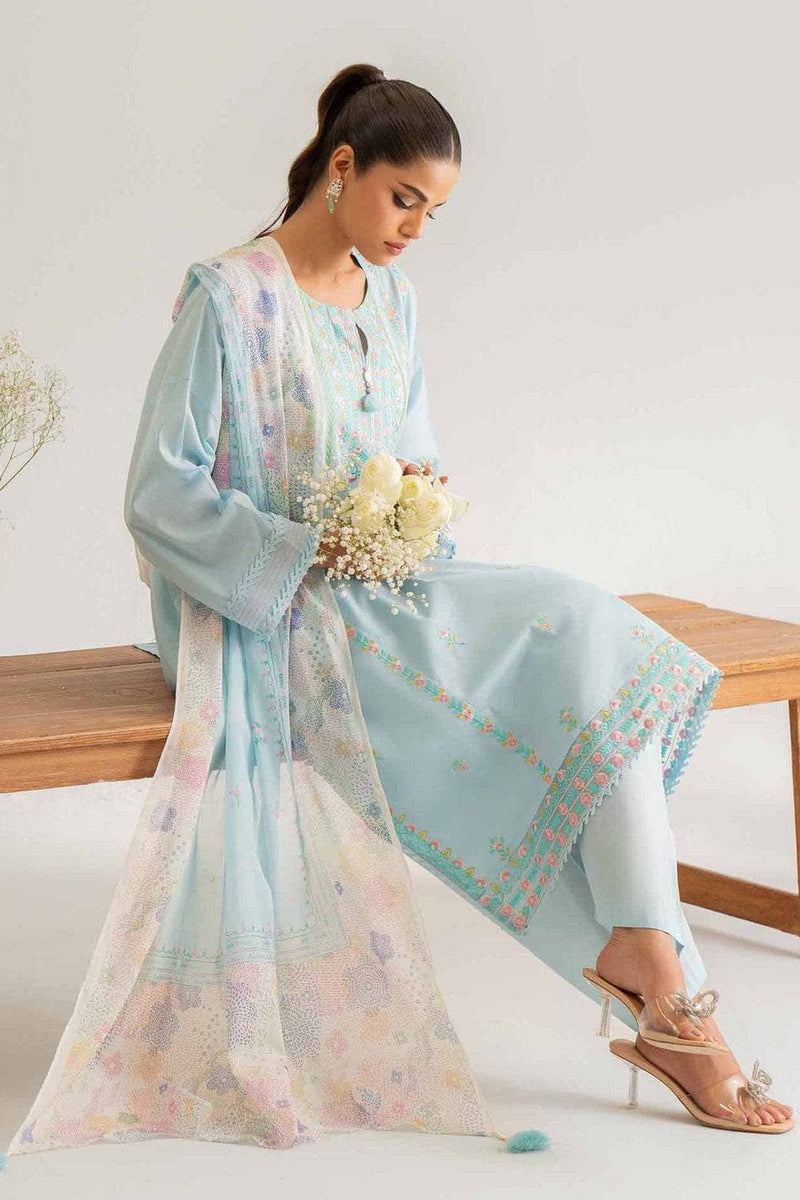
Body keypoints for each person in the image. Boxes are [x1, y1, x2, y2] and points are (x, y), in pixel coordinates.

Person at [4, 65, 791, 1170]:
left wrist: (410, 511)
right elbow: (159, 491)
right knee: (576, 653)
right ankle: (667, 996)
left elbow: (408, 458)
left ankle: (647, 957)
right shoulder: (229, 299)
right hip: (264, 609)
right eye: (403, 198)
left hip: (384, 586)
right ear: (342, 167)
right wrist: (303, 549)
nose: (417, 228)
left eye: (434, 210)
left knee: (593, 642)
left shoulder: (393, 303)